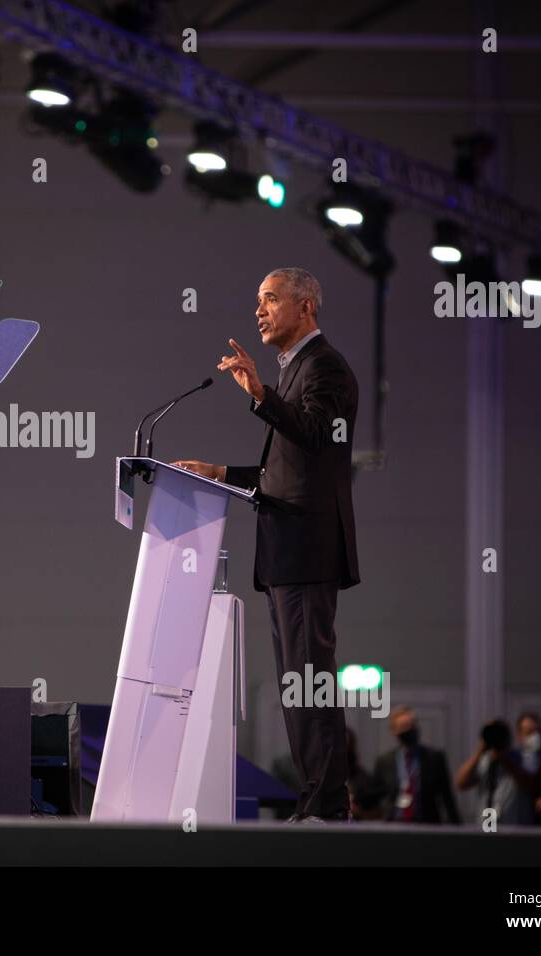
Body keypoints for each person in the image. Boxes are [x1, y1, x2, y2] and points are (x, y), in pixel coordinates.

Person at [173, 267, 359, 823]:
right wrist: (219, 471)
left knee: (309, 680)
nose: (259, 310)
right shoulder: (297, 368)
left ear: (305, 307)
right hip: (287, 552)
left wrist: (260, 395)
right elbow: (284, 473)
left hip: (306, 550)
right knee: (297, 685)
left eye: (270, 299)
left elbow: (315, 436)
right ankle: (317, 802)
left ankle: (326, 807)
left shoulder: (324, 366)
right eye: (258, 300)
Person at [373, 707, 461, 824]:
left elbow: (447, 796)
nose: (409, 730)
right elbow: (375, 794)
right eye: (404, 727)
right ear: (394, 731)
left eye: (412, 725)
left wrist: (457, 827)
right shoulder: (384, 761)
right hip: (394, 823)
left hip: (427, 824)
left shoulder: (434, 758)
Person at [454, 718, 535, 825]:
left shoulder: (521, 758)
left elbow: (530, 785)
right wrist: (479, 751)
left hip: (513, 827)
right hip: (488, 824)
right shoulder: (484, 760)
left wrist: (504, 759)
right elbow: (461, 784)